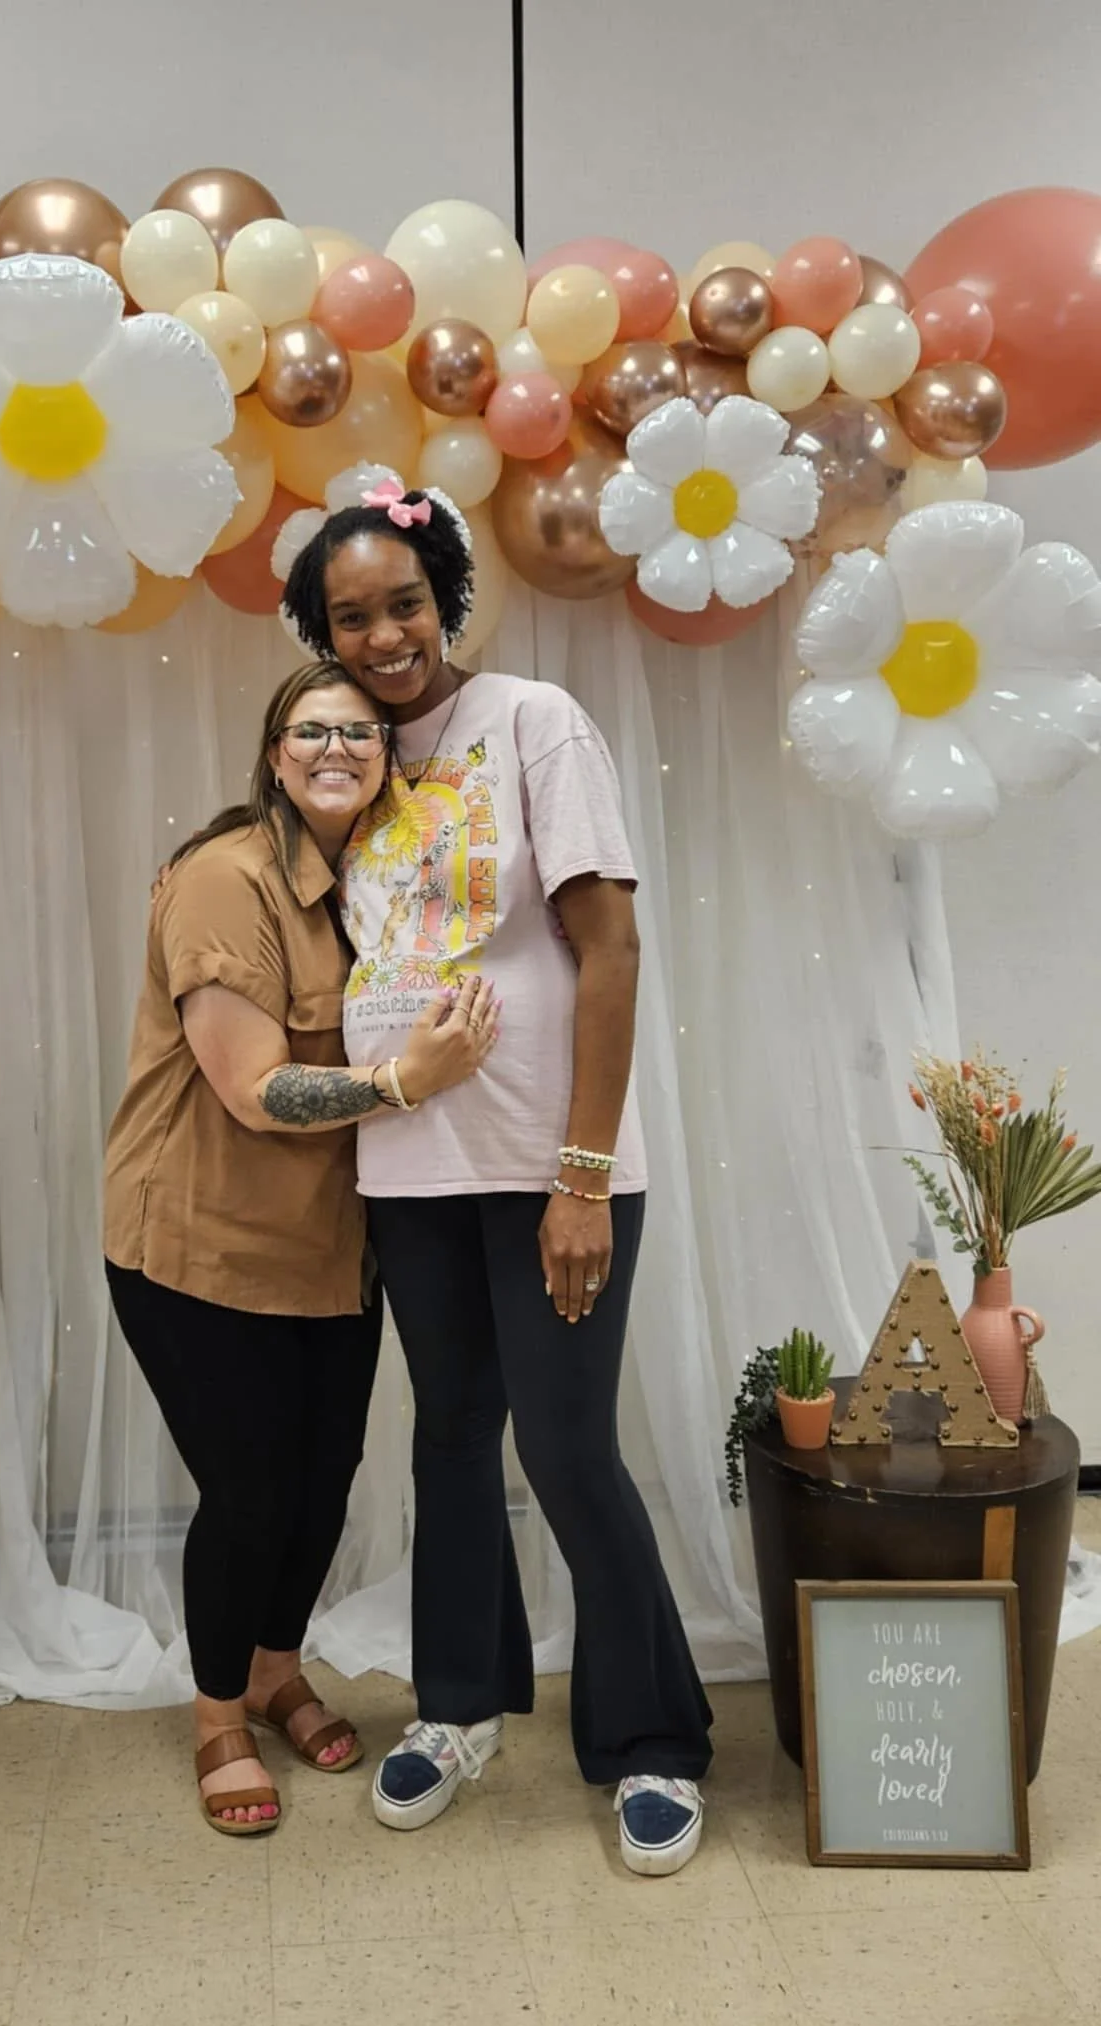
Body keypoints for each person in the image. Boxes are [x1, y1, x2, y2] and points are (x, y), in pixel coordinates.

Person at [279, 480, 713, 1875]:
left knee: (569, 1447)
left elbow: (613, 949)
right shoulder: (344, 760)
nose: (386, 635)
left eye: (404, 603)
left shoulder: (534, 722)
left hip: (548, 1163)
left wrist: (581, 1176)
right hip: (411, 1166)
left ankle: (652, 1740)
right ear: (321, 636)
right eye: (352, 618)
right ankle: (459, 1708)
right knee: (451, 1437)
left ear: (447, 596)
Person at [103, 658, 500, 1837]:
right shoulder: (227, 882)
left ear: (386, 758)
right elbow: (251, 1090)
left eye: (362, 733)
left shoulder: (372, 883)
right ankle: (219, 1709)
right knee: (252, 1487)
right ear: (275, 753)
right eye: (311, 731)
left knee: (327, 1477)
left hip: (331, 1250)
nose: (337, 749)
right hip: (198, 1243)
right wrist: (403, 1080)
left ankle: (277, 1666)